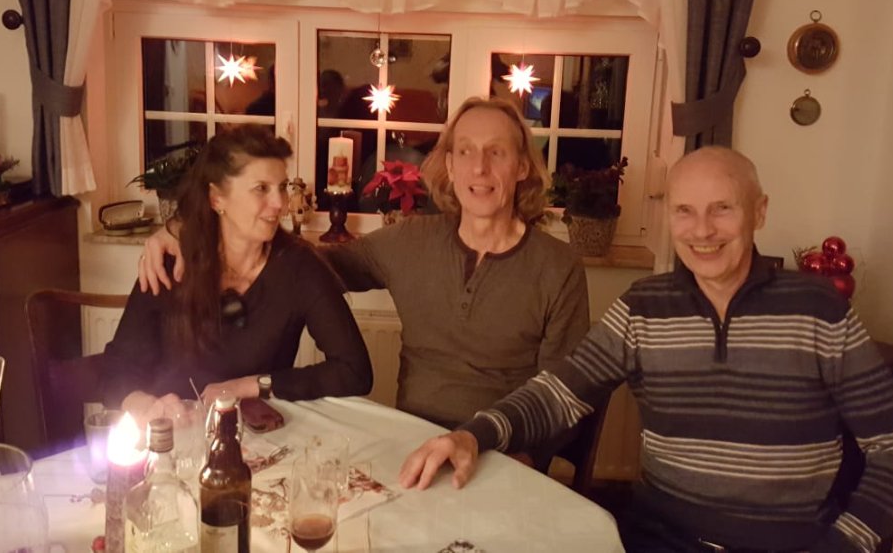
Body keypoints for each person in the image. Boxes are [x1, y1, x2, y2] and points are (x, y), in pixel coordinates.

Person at [399, 146, 893, 553]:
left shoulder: (817, 310)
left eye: (722, 209)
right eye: (684, 211)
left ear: (759, 211)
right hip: (660, 540)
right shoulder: (645, 307)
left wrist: (841, 546)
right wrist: (472, 435)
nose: (702, 231)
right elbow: (559, 394)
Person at [138, 97, 590, 441]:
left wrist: (524, 457)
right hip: (413, 439)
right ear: (450, 166)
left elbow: (564, 394)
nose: (480, 167)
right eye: (466, 152)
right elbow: (303, 266)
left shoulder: (558, 267)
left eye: (497, 153)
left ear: (523, 166)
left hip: (506, 448)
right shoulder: (409, 241)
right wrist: (187, 229)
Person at [103, 124, 372, 424]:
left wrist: (251, 385)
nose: (280, 204)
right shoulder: (171, 260)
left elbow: (354, 371)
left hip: (258, 439)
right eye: (261, 188)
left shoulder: (298, 266)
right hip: (173, 434)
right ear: (217, 199)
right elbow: (117, 366)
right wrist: (143, 405)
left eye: (282, 187)